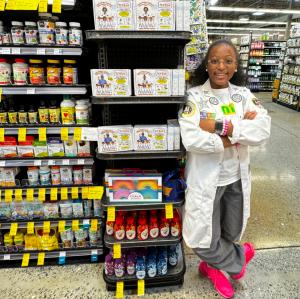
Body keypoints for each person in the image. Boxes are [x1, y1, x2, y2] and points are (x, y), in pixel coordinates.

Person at [178, 40, 271, 298]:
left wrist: (223, 128)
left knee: (230, 230)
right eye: (215, 60)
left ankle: (214, 268)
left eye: (228, 61)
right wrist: (239, 132)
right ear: (206, 64)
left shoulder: (243, 94)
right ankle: (238, 260)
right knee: (202, 238)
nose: (221, 66)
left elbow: (263, 130)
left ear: (236, 65)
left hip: (236, 177)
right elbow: (191, 138)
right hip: (208, 179)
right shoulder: (194, 96)